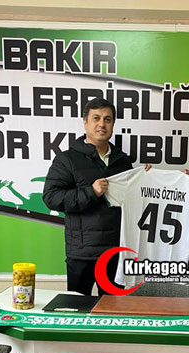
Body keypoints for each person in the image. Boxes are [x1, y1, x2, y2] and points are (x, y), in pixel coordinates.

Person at [43, 98, 133, 296]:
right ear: (85, 122)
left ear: (113, 124)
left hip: (114, 252)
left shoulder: (123, 161)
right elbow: (51, 197)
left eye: (107, 119)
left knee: (112, 310)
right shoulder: (67, 159)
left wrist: (149, 177)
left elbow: (136, 198)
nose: (102, 124)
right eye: (96, 118)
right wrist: (91, 192)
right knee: (77, 308)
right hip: (81, 254)